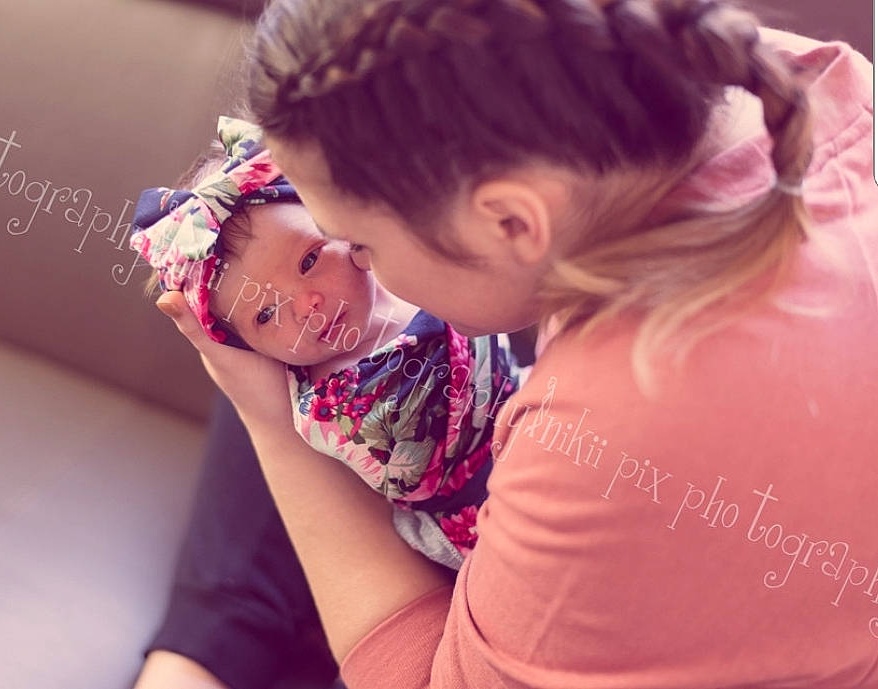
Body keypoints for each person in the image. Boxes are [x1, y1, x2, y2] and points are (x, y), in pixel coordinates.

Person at [147, 0, 878, 687]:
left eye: (358, 241)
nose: (357, 261)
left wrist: (269, 422)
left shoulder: (613, 427)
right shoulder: (786, 76)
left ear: (512, 221)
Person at [129, 116, 528, 570]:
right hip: (476, 511)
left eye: (309, 259)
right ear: (248, 348)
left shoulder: (399, 263)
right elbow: (409, 465)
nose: (306, 305)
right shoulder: (330, 405)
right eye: (265, 313)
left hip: (525, 398)